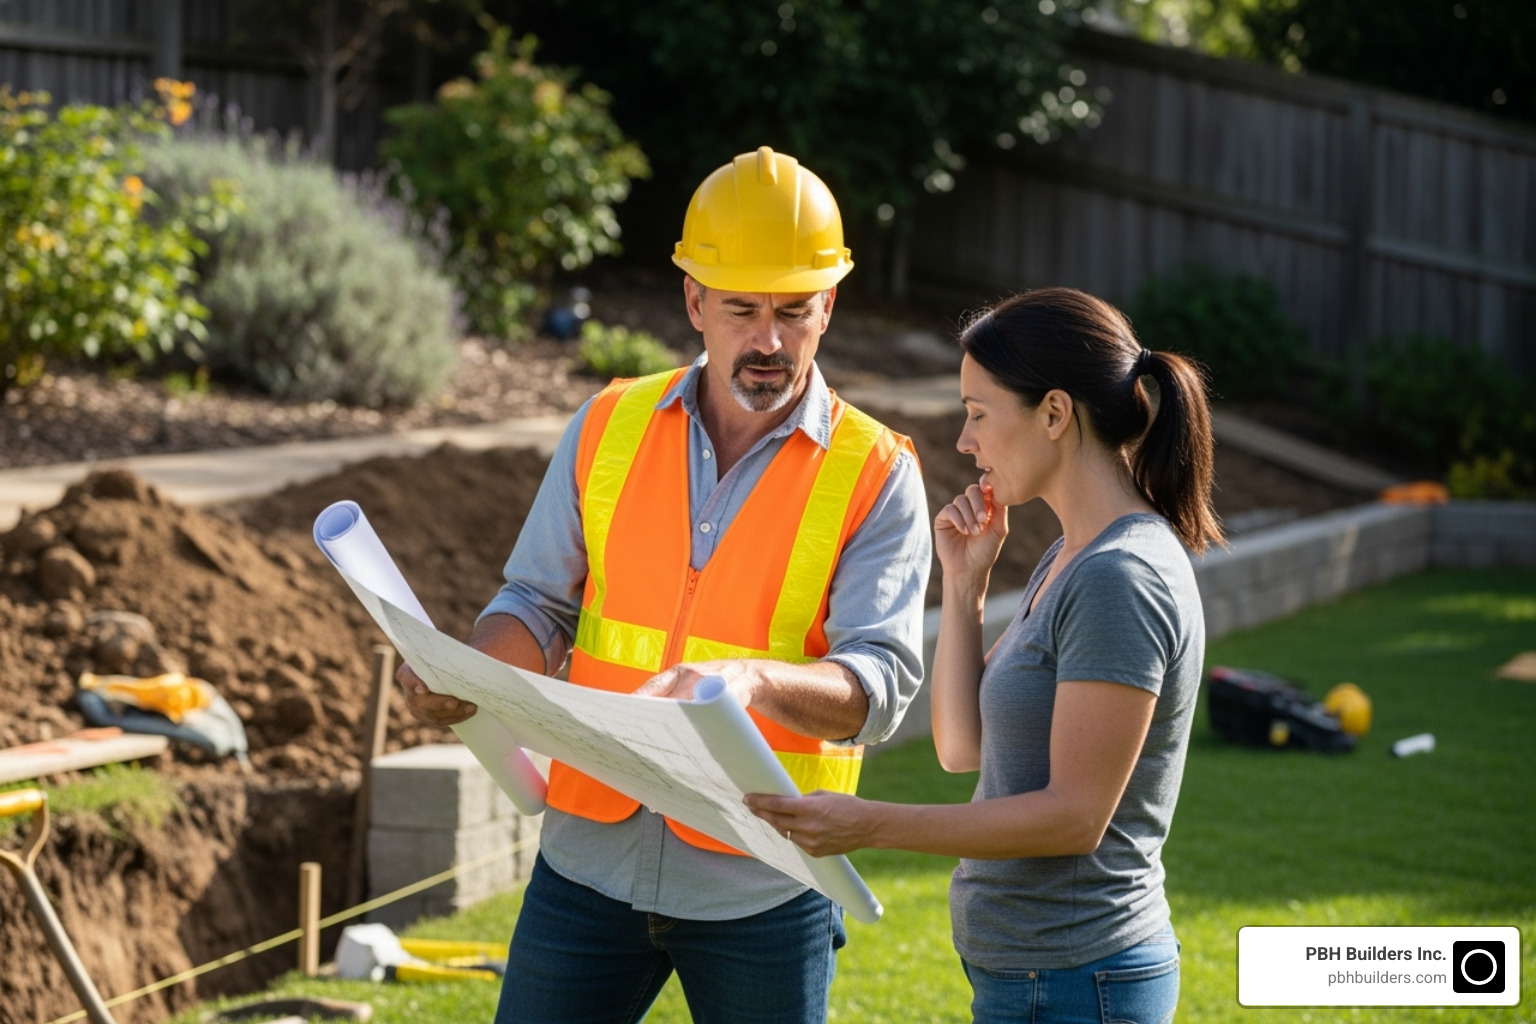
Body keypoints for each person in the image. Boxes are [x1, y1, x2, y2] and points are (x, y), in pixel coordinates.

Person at [397, 146, 932, 1024]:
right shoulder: (607, 424)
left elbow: (876, 689)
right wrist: (465, 672)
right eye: (742, 310)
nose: (769, 339)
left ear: (829, 305)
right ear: (693, 302)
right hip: (586, 865)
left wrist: (751, 680)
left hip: (762, 880)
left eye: (795, 312)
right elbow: (537, 602)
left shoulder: (875, 473)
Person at [748, 287, 1223, 1024]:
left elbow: (1074, 818)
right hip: (1033, 973)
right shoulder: (1072, 555)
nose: (965, 442)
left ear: (1055, 414)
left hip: (1076, 978)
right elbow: (963, 750)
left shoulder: (1118, 577)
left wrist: (868, 823)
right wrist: (964, 586)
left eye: (977, 414)